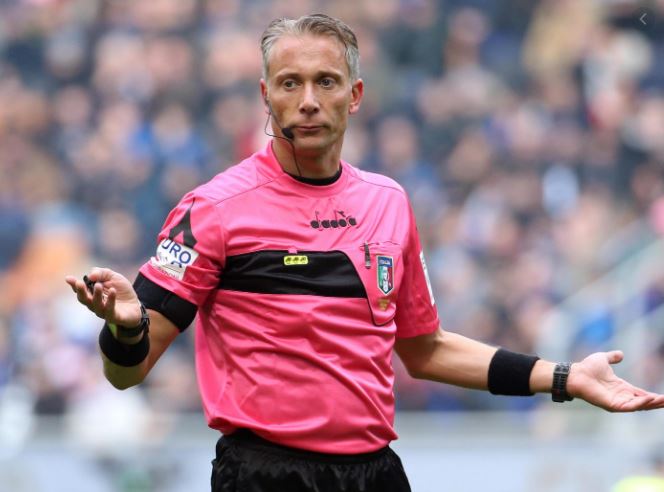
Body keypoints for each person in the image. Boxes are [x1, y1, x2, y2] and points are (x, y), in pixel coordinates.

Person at [66, 14, 664, 492]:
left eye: (325, 82)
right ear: (265, 96)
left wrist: (564, 377)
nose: (307, 100)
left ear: (354, 96)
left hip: (375, 472)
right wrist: (124, 329)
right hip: (263, 475)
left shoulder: (389, 203)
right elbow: (126, 373)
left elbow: (425, 350)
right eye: (289, 83)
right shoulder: (214, 209)